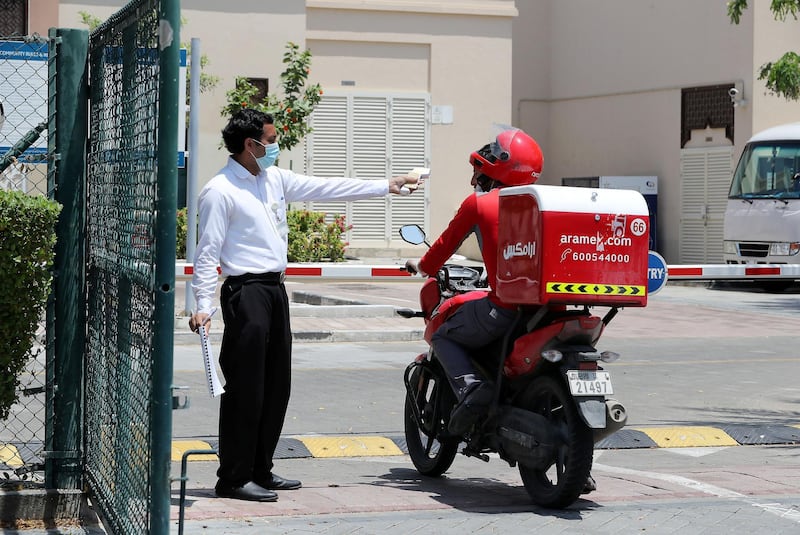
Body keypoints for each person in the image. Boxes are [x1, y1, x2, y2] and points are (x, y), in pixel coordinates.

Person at [189, 108, 418, 502]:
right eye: (272, 140)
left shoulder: (274, 178)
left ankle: (261, 469)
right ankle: (233, 477)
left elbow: (326, 187)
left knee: (277, 386)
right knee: (247, 388)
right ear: (251, 144)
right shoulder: (220, 190)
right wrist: (202, 304)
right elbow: (207, 254)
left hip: (275, 292)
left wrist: (388, 185)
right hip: (246, 294)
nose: (276, 147)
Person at [404, 126, 543, 436]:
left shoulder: (480, 204)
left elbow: (444, 245)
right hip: (555, 309)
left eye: (478, 172)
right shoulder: (545, 202)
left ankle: (472, 389)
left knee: (443, 335)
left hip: (506, 308)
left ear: (500, 167)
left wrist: (422, 266)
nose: (473, 181)